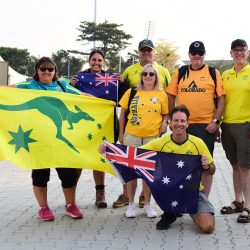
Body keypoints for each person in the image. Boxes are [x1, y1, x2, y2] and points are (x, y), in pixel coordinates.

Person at [98, 105, 216, 233]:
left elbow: (212, 170)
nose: (179, 124)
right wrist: (108, 150)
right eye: (175, 120)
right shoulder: (160, 143)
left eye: (182, 121)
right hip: (169, 191)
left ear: (188, 123)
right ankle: (170, 212)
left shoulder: (197, 143)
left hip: (192, 193)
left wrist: (207, 166)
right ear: (170, 123)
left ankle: (185, 210)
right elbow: (133, 154)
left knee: (207, 227)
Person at [15, 57, 84, 221]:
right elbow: (6, 91)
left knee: (68, 175)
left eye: (50, 69)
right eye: (43, 68)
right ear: (37, 70)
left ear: (55, 72)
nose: (46, 71)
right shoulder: (29, 86)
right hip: (39, 140)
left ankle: (71, 205)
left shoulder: (63, 86)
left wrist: (106, 104)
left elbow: (84, 97)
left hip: (60, 141)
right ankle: (43, 208)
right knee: (40, 175)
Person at [113, 39, 171, 208]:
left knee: (148, 168)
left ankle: (144, 199)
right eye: (143, 50)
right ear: (139, 52)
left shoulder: (164, 71)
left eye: (149, 50)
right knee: (130, 167)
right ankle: (126, 196)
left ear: (153, 52)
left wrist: (166, 122)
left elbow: (167, 98)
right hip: (133, 129)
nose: (146, 53)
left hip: (152, 129)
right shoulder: (130, 70)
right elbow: (124, 100)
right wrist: (121, 133)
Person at [166, 41, 225, 197]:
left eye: (200, 53)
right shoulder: (181, 72)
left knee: (205, 164)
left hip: (206, 127)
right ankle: (181, 198)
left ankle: (203, 201)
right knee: (181, 164)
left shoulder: (213, 72)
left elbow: (221, 99)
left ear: (204, 55)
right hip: (183, 126)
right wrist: (173, 119)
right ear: (189, 55)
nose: (197, 56)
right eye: (194, 53)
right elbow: (170, 95)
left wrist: (216, 122)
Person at [71, 50, 127, 208]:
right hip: (83, 125)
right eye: (93, 60)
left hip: (103, 124)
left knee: (99, 158)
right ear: (89, 61)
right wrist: (71, 85)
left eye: (99, 60)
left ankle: (100, 194)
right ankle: (71, 197)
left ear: (104, 62)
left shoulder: (111, 79)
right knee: (79, 159)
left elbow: (122, 100)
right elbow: (68, 95)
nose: (96, 63)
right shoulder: (80, 78)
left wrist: (122, 83)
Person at [219, 39, 250, 223]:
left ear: (247, 53)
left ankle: (248, 207)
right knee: (235, 165)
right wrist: (218, 123)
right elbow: (221, 101)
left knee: (245, 167)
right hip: (227, 125)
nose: (239, 53)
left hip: (246, 126)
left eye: (242, 50)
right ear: (231, 53)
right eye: (235, 50)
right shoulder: (226, 74)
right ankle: (237, 201)